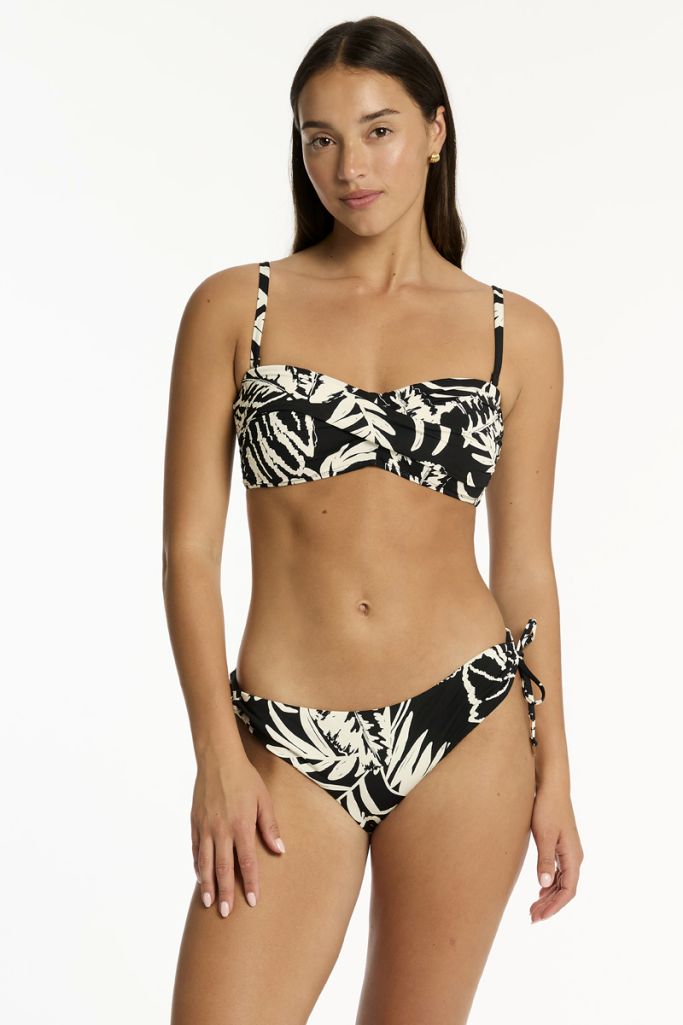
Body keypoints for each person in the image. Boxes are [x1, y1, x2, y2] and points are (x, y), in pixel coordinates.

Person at [163, 15, 583, 1025]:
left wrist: (555, 770)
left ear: (435, 132)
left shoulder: (516, 334)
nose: (348, 166)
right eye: (320, 138)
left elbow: (524, 566)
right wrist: (216, 752)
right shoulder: (235, 308)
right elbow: (187, 551)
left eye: (378, 130)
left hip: (466, 724)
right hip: (283, 735)